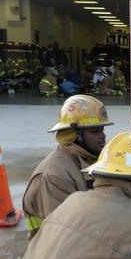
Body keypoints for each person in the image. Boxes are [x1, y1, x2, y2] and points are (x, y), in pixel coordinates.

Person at [22, 94, 112, 241]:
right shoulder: (53, 175)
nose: (103, 135)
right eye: (95, 131)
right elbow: (63, 235)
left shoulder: (88, 160)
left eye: (102, 129)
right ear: (75, 135)